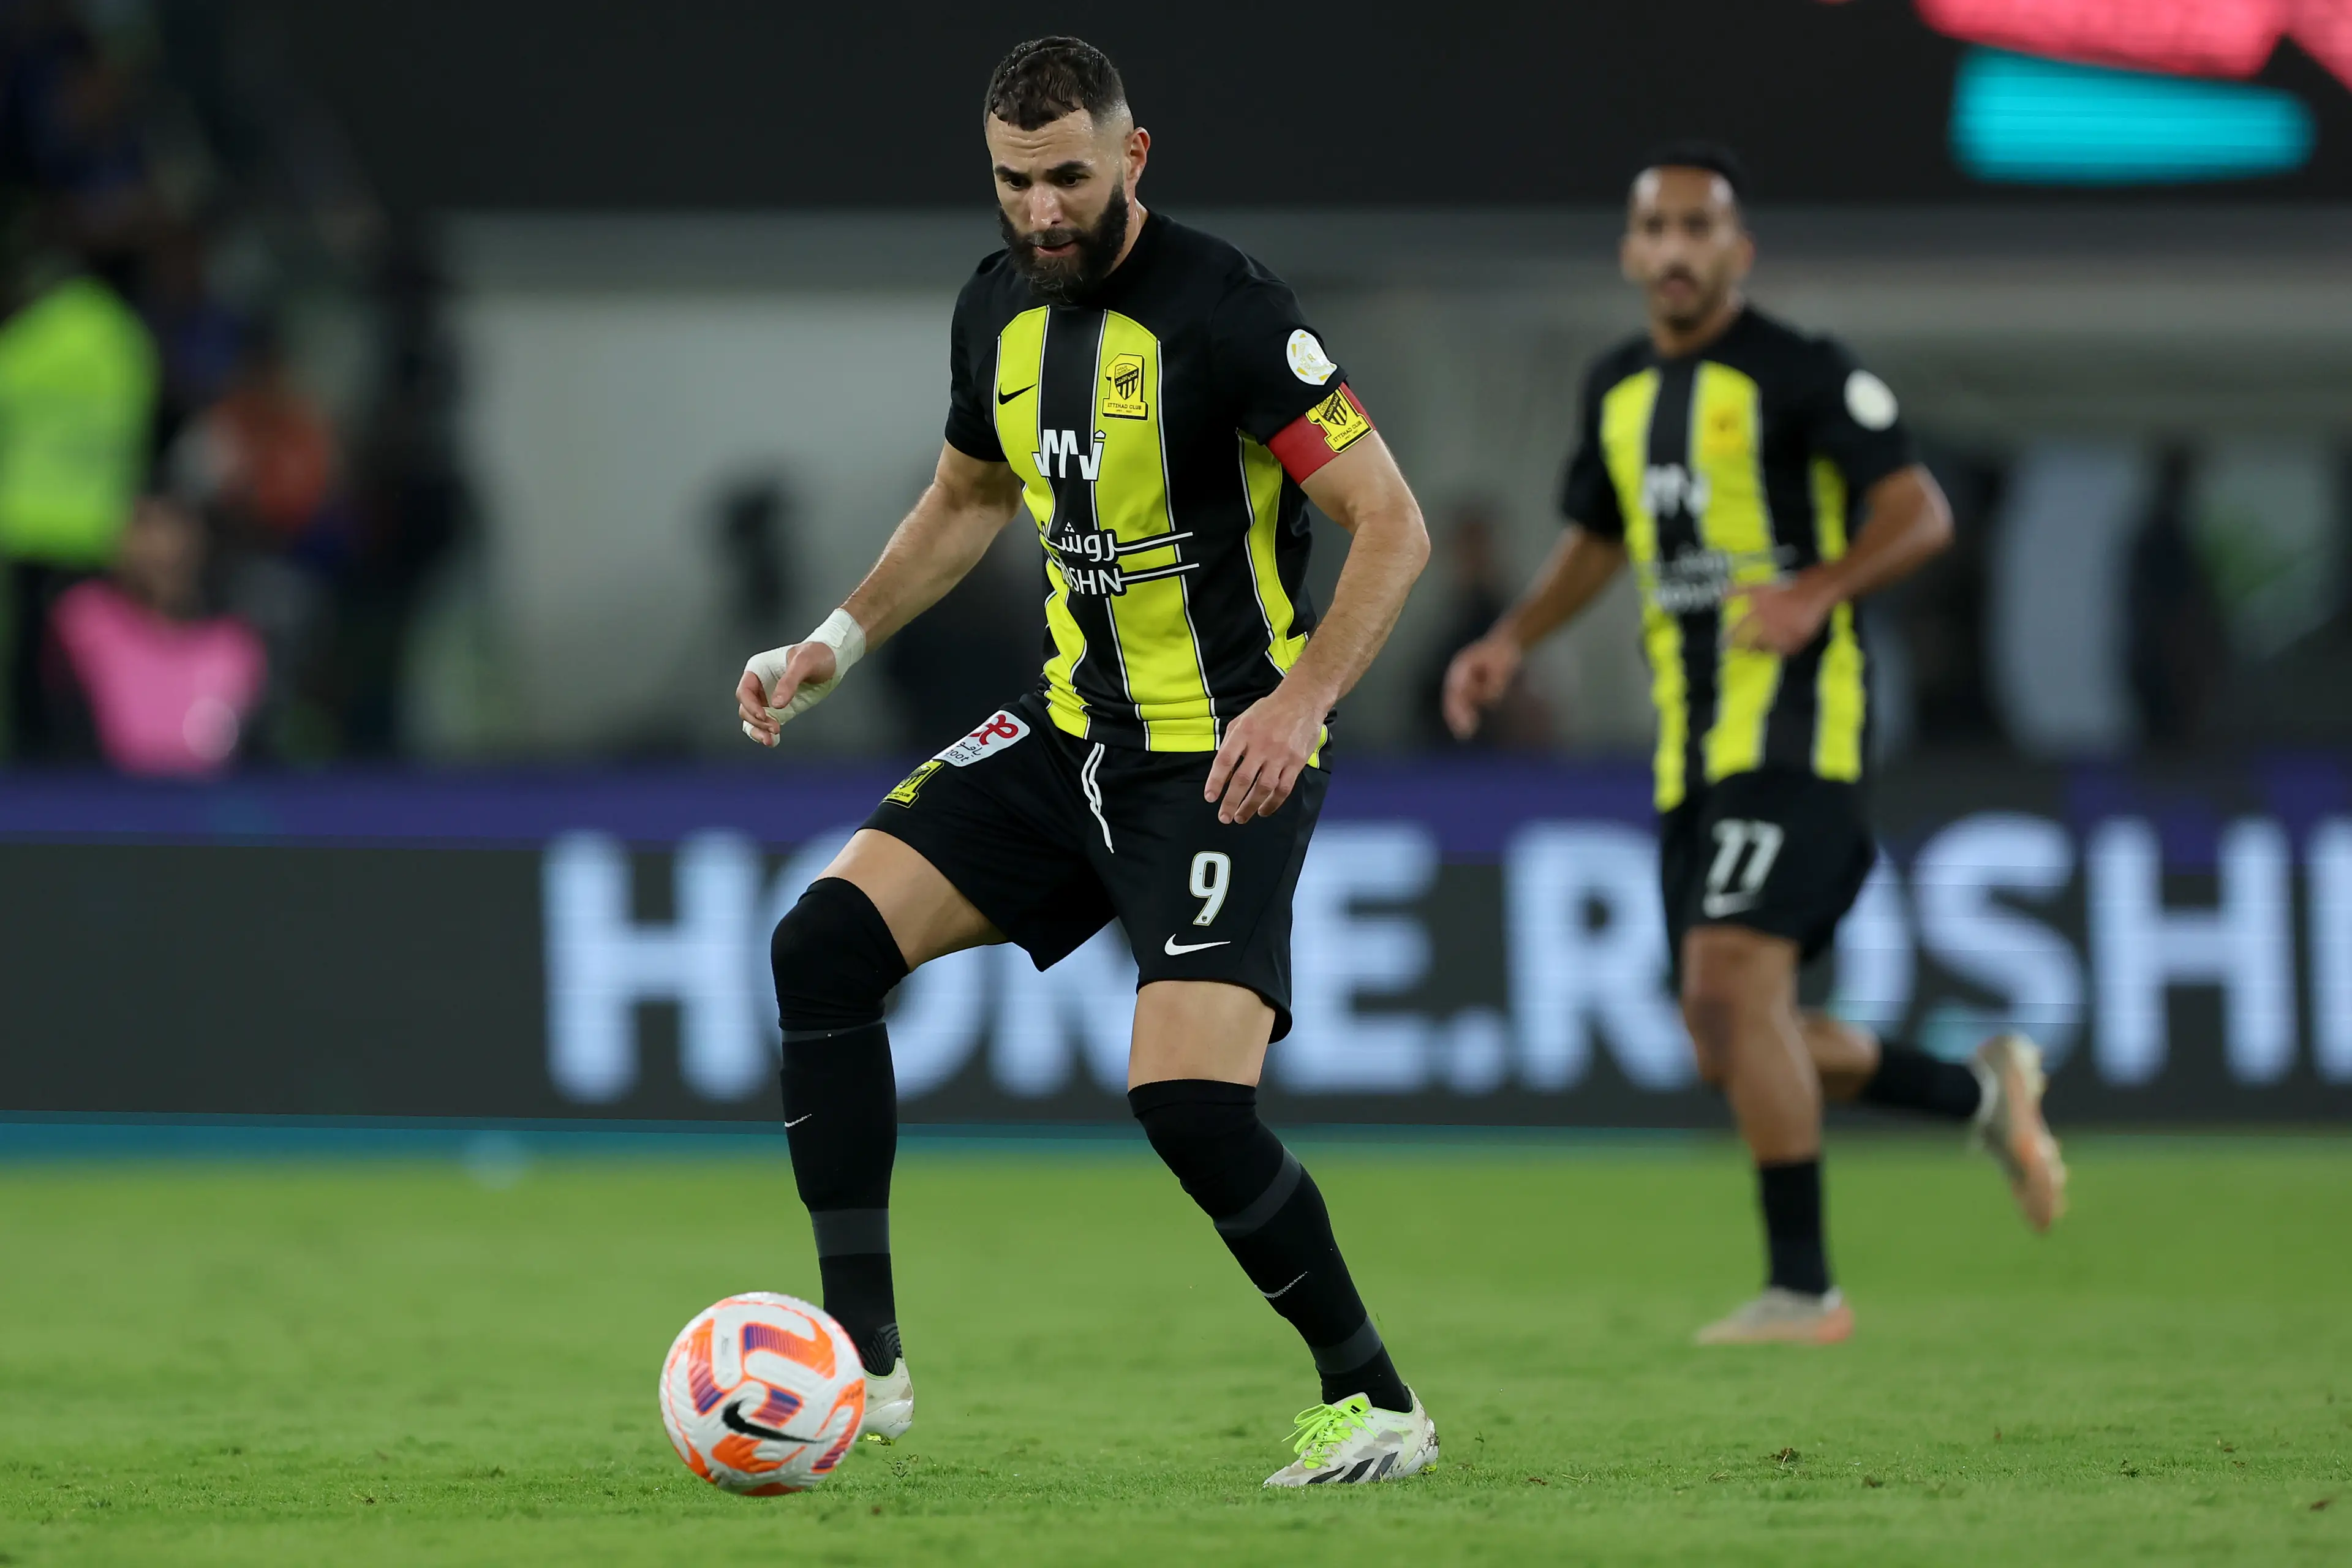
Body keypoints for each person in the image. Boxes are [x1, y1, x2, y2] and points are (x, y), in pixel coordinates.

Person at [734, 38, 1438, 1485]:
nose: (1043, 210)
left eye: (1068, 175)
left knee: (1187, 1103)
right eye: (1014, 181)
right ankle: (864, 1355)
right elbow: (964, 496)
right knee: (821, 945)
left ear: (1133, 155)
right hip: (1070, 735)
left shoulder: (1230, 313)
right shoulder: (996, 306)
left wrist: (1300, 703)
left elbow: (1392, 522)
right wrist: (835, 641)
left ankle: (1375, 1401)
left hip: (1221, 756)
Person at [1442, 143, 2065, 1346]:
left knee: (1729, 978)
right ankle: (1985, 1093)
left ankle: (1803, 1287)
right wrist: (1511, 638)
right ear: (1630, 252)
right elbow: (1597, 536)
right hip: (1693, 756)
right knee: (1733, 1033)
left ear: (1738, 248)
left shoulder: (1799, 372)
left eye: (1699, 227)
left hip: (1799, 737)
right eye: (1656, 228)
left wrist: (1813, 591)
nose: (1676, 249)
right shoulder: (1619, 389)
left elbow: (1917, 510)